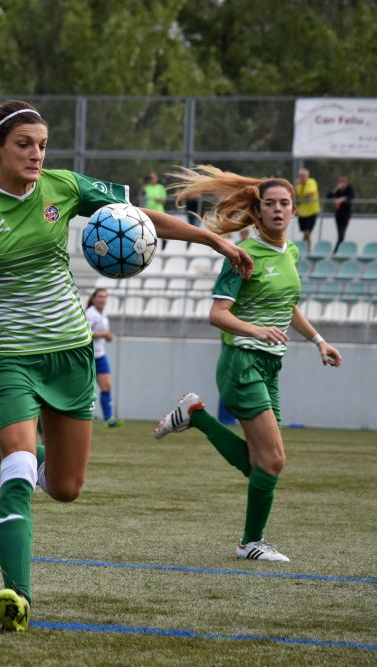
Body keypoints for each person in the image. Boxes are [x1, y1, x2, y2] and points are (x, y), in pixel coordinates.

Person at [0, 100, 252, 632]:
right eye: (24, 144)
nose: (36, 154)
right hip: (9, 360)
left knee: (68, 487)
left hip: (71, 354)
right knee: (22, 472)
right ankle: (17, 594)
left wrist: (211, 238)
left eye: (43, 145)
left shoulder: (65, 187)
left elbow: (139, 220)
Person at [155, 165, 342, 563]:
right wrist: (256, 331)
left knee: (260, 463)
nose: (277, 209)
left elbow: (287, 305)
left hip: (271, 367)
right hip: (242, 363)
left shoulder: (290, 252)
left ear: (294, 211)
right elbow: (217, 314)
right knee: (274, 460)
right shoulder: (243, 254)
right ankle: (249, 543)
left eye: (284, 203)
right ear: (257, 213)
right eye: (269, 204)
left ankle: (197, 414)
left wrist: (319, 341)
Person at [85, 288, 121, 428]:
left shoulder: (103, 314)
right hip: (88, 356)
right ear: (93, 299)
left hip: (100, 355)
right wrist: (103, 334)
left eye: (105, 297)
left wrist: (107, 336)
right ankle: (87, 415)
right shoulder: (90, 314)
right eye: (100, 296)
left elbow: (102, 334)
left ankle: (108, 419)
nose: (102, 299)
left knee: (106, 386)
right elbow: (84, 333)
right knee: (88, 388)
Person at [294, 168, 320, 254]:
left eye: (303, 176)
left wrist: (301, 198)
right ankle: (306, 250)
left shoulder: (311, 182)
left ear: (307, 176)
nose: (301, 178)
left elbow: (309, 196)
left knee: (307, 232)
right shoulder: (298, 185)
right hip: (302, 213)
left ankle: (305, 250)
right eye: (300, 176)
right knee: (305, 233)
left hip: (312, 212)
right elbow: (295, 195)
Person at [327, 176, 355, 254]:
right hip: (338, 214)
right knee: (339, 233)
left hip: (346, 214)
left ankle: (336, 251)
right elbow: (328, 196)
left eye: (343, 183)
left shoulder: (349, 188)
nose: (341, 185)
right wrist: (335, 190)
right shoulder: (337, 190)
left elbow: (352, 196)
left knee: (341, 234)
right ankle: (338, 250)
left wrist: (342, 199)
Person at [144, 171, 168, 249]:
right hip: (148, 212)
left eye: (153, 177)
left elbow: (164, 200)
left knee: (160, 228)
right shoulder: (147, 187)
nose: (152, 179)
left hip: (159, 211)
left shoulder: (160, 187)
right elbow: (141, 197)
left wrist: (157, 200)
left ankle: (164, 241)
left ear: (156, 178)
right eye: (150, 177)